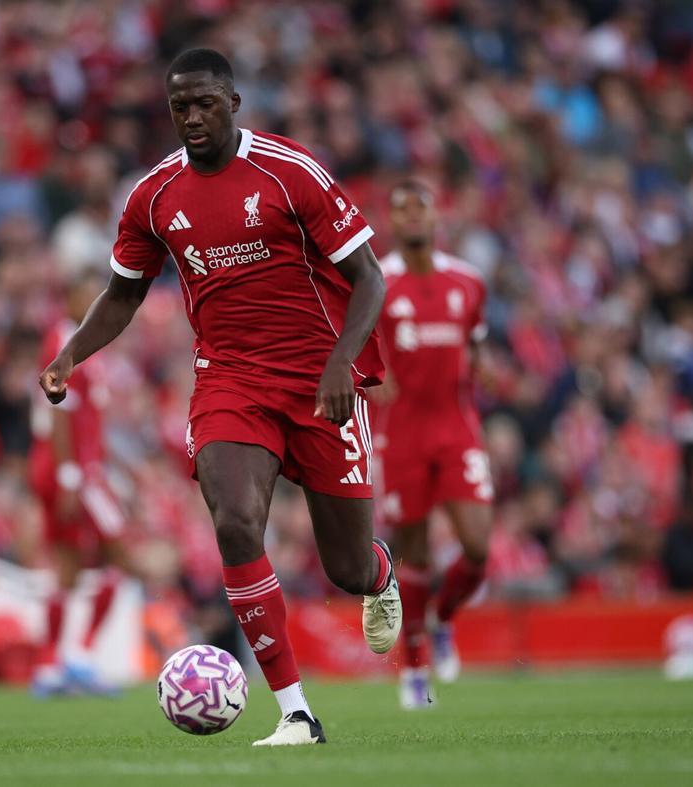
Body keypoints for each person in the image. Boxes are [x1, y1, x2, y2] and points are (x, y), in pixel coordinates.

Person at [39, 49, 401, 746]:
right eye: (180, 107)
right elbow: (123, 294)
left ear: (234, 101)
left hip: (320, 379)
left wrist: (339, 362)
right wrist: (71, 354)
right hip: (230, 379)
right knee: (235, 519)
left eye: (205, 102)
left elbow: (370, 277)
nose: (193, 117)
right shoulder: (154, 195)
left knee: (347, 568)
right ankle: (296, 711)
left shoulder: (290, 171)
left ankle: (381, 571)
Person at [374, 180, 493, 709]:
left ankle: (443, 620)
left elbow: (478, 348)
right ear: (392, 222)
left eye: (420, 206)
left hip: (456, 427)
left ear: (436, 215)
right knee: (415, 554)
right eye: (402, 209)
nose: (412, 217)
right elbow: (361, 350)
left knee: (477, 548)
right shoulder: (376, 281)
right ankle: (415, 670)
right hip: (402, 433)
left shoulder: (467, 282)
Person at [29, 269, 131, 696]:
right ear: (70, 297)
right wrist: (70, 476)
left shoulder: (78, 341)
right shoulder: (64, 340)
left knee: (68, 568)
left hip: (72, 467)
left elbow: (90, 416)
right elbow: (59, 410)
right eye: (88, 298)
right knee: (124, 556)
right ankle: (82, 657)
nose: (94, 307)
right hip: (74, 471)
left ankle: (52, 666)